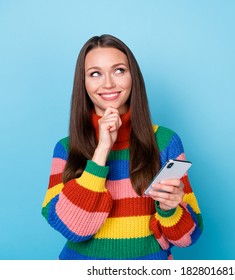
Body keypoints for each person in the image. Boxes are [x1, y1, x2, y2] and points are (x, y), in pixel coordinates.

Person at [41, 34, 203, 260]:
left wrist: (169, 210)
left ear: (132, 77)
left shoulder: (165, 141)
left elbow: (187, 238)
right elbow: (73, 229)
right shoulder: (66, 149)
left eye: (119, 70)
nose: (108, 83)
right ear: (83, 83)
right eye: (95, 73)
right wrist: (101, 152)